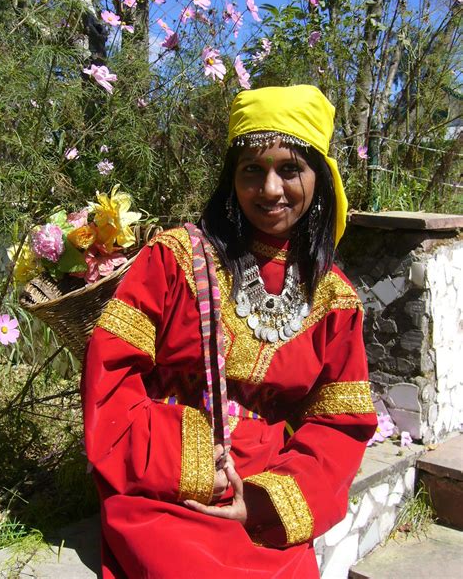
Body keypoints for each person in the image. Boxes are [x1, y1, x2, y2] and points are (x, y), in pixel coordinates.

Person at [82, 84, 377, 578]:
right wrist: (192, 463)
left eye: (290, 169)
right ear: (231, 179)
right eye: (252, 171)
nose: (270, 190)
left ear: (320, 179)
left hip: (263, 497)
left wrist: (264, 502)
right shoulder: (174, 258)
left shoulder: (335, 299)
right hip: (163, 486)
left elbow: (338, 426)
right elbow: (110, 378)